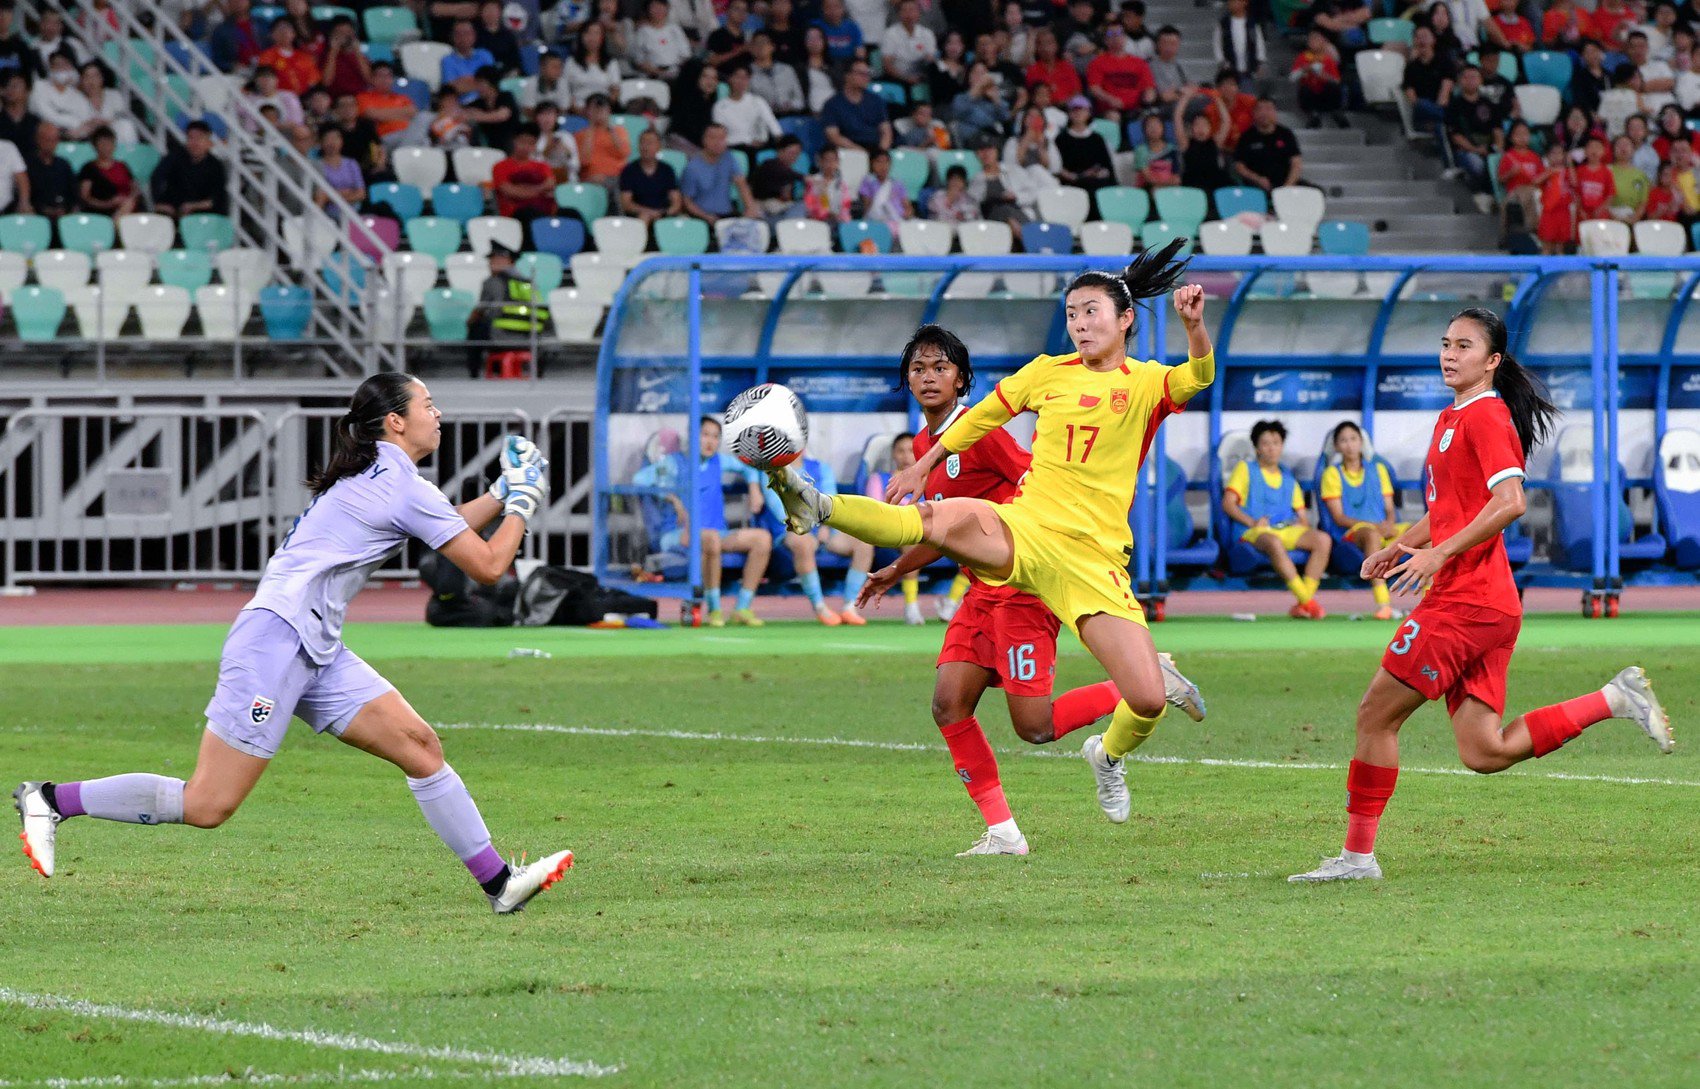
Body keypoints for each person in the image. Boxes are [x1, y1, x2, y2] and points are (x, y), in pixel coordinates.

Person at [14, 374, 574, 914]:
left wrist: (499, 494)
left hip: (312, 645)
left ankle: (500, 884)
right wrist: (522, 501)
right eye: (428, 404)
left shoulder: (385, 477)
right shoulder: (400, 483)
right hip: (278, 641)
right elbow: (490, 566)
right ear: (396, 422)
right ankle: (50, 800)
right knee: (208, 804)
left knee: (420, 747)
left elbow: (443, 523)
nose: (438, 413)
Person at [765, 242, 1215, 826]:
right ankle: (818, 504)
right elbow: (979, 418)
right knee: (938, 517)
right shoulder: (1045, 372)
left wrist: (1195, 326)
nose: (1078, 323)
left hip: (1092, 556)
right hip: (1025, 528)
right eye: (1072, 312)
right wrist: (923, 467)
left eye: (1090, 312)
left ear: (1124, 319)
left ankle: (1106, 755)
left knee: (1148, 699)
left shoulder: (1149, 383)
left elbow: (1200, 376)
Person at [1288, 308, 1672, 883]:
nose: (1449, 353)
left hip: (1466, 603)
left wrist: (1439, 556)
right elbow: (1450, 512)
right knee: (1483, 752)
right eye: (1445, 343)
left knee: (1375, 717)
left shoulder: (1488, 418)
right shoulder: (1453, 416)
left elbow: (1512, 501)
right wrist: (1401, 545)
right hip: (1488, 605)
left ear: (1491, 361)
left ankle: (1358, 858)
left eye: (1463, 346)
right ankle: (1613, 700)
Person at [853, 325, 1206, 855]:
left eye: (941, 368)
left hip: (1024, 585)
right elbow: (948, 529)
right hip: (980, 594)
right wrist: (896, 569)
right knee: (949, 704)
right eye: (919, 369)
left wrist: (1033, 543)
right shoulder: (929, 446)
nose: (929, 378)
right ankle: (1003, 832)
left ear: (961, 378)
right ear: (906, 379)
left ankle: (1144, 679)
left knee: (1035, 728)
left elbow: (1034, 485)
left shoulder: (984, 435)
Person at [632, 417, 773, 626]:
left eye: (716, 437)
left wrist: (754, 489)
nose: (710, 441)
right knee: (711, 539)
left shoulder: (719, 461)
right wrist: (671, 497)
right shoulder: (674, 463)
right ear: (693, 436)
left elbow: (751, 468)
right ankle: (715, 610)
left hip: (715, 533)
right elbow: (639, 480)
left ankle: (742, 607)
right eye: (705, 435)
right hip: (677, 534)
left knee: (762, 539)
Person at [1222, 419, 1332, 618]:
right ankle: (1308, 601)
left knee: (1323, 540)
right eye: (1266, 443)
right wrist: (1252, 522)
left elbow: (1302, 518)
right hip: (1253, 532)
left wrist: (1299, 524)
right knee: (1273, 541)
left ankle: (1303, 602)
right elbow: (1228, 503)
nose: (1271, 448)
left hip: (1285, 531)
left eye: (1276, 442)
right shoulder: (1245, 469)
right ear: (1257, 448)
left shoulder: (1289, 480)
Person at [1320, 421, 1407, 620]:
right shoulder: (1332, 474)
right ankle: (1383, 603)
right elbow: (1339, 517)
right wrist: (1377, 528)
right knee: (1371, 535)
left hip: (1383, 528)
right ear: (1336, 446)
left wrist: (1390, 524)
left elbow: (1389, 508)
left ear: (1361, 442)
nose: (1349, 445)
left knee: (1422, 531)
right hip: (1353, 532)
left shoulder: (1378, 469)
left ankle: (1430, 596)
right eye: (1343, 440)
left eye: (1353, 439)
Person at [471, 241, 550, 346]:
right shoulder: (529, 283)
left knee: (475, 329)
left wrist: (469, 322)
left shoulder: (492, 282)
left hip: (501, 337)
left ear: (507, 260)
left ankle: (473, 362)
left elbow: (479, 311)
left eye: (493, 258)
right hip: (530, 339)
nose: (490, 263)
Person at [679, 123, 755, 225]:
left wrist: (750, 208)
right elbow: (687, 202)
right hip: (702, 217)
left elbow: (741, 184)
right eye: (713, 138)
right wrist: (706, 216)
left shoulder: (729, 158)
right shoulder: (692, 168)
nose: (718, 142)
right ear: (704, 140)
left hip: (727, 214)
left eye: (722, 138)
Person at [492, 123, 558, 224]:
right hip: (515, 214)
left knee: (570, 213)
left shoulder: (542, 166)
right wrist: (540, 190)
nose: (526, 147)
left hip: (543, 210)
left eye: (531, 143)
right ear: (514, 141)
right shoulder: (500, 166)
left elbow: (550, 184)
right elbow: (511, 191)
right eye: (522, 142)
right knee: (530, 213)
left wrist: (524, 188)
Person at [1234, 97, 1303, 193]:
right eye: (1259, 109)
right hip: (1257, 184)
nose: (1264, 113)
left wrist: (1287, 186)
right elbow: (1239, 166)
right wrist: (1257, 179)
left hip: (1285, 183)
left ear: (1275, 112)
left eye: (1268, 109)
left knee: (1316, 192)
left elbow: (1296, 163)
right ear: (1254, 113)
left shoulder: (1286, 134)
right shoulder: (1246, 137)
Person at [822, 59, 891, 152]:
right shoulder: (832, 104)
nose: (866, 77)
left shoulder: (876, 100)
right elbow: (833, 136)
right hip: (848, 150)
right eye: (861, 73)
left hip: (875, 148)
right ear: (847, 75)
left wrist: (880, 152)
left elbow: (886, 131)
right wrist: (860, 152)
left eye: (867, 74)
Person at [713, 65, 784, 152]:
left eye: (745, 78)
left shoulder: (757, 101)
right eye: (737, 77)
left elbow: (772, 124)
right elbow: (719, 134)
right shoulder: (720, 107)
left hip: (759, 147)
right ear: (730, 79)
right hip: (733, 148)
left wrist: (780, 142)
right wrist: (747, 141)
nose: (741, 81)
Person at [619, 126, 681, 225]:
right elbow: (627, 203)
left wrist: (665, 213)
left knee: (684, 220)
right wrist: (648, 212)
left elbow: (676, 201)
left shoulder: (667, 170)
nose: (645, 146)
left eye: (650, 143)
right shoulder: (629, 170)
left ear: (659, 146)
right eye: (643, 142)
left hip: (663, 213)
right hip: (639, 214)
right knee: (644, 218)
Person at [1055, 95, 1116, 193]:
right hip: (1072, 182)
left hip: (1097, 181)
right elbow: (1058, 166)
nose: (1078, 113)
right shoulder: (1061, 139)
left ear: (1089, 113)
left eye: (1082, 110)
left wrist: (1098, 173)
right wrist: (1078, 176)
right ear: (1069, 113)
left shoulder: (1097, 138)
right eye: (1074, 110)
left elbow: (1107, 165)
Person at [1290, 27, 1346, 129]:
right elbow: (1292, 78)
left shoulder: (1328, 59)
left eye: (1316, 39)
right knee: (1304, 89)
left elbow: (1336, 81)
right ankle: (1313, 115)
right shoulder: (1302, 57)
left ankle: (1335, 111)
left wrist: (1324, 76)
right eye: (1311, 39)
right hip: (1310, 94)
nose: (1313, 42)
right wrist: (1303, 71)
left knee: (1333, 87)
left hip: (1324, 94)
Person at [574, 93, 631, 192]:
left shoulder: (618, 131)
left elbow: (624, 153)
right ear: (587, 111)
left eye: (602, 108)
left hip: (618, 177)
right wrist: (591, 128)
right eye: (594, 108)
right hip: (593, 178)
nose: (599, 111)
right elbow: (583, 161)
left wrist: (610, 129)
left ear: (609, 110)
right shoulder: (580, 135)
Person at [76, 125, 135, 215]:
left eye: (110, 143)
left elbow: (134, 189)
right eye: (103, 144)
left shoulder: (122, 166)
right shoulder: (89, 168)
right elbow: (85, 197)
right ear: (95, 146)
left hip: (127, 207)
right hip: (102, 210)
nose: (107, 147)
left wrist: (127, 200)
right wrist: (108, 203)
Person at [748, 134, 807, 222]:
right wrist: (805, 178)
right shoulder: (769, 165)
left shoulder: (788, 171)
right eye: (791, 153)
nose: (794, 157)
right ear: (780, 151)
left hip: (781, 210)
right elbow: (785, 173)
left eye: (797, 154)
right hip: (764, 207)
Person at [357, 62, 418, 146]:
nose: (384, 79)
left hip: (409, 133)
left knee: (425, 117)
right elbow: (370, 114)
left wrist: (383, 114)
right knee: (420, 140)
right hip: (386, 137)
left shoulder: (402, 98)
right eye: (380, 76)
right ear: (372, 79)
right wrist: (403, 114)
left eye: (388, 76)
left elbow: (413, 112)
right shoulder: (363, 97)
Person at [856, 147, 912, 235]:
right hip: (876, 221)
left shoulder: (897, 183)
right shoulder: (868, 182)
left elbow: (907, 206)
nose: (883, 166)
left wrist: (907, 214)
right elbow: (867, 208)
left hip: (898, 221)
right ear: (871, 164)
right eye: (879, 162)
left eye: (886, 162)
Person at [631, 0, 692, 81]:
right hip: (651, 76)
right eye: (654, 7)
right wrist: (656, 72)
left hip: (675, 74)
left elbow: (686, 53)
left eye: (661, 6)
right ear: (648, 9)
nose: (658, 10)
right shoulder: (642, 31)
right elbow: (638, 59)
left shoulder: (675, 29)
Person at [566, 23, 622, 110]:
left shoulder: (611, 63)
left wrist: (603, 110)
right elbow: (565, 88)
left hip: (603, 109)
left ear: (602, 38)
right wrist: (577, 109)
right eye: (588, 33)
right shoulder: (571, 62)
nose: (592, 37)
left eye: (596, 33)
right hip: (578, 109)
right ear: (581, 36)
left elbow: (615, 90)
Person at [257, 18, 321, 96]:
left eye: (288, 29)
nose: (284, 32)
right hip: (277, 98)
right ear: (271, 35)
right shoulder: (266, 56)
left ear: (294, 34)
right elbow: (263, 80)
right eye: (280, 29)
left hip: (304, 99)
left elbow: (313, 81)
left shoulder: (304, 57)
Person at [749, 30, 806, 116]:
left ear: (772, 47)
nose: (761, 46)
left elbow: (800, 100)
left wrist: (789, 105)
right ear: (751, 49)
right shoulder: (747, 72)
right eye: (757, 43)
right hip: (762, 118)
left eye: (764, 42)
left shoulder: (787, 69)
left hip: (789, 115)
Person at [315, 126, 366, 220]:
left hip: (355, 212)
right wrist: (348, 193)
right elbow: (321, 196)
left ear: (341, 141)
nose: (332, 142)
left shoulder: (351, 163)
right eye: (327, 139)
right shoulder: (317, 165)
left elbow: (361, 194)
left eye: (335, 138)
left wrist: (332, 196)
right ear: (321, 143)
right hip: (330, 215)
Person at [1534, 141, 1577, 254]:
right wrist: (1550, 172)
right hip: (1549, 211)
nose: (1557, 157)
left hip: (1563, 211)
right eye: (1553, 153)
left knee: (1560, 245)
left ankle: (1560, 267)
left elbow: (1574, 182)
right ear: (1547, 156)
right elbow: (1535, 181)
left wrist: (1570, 164)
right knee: (1546, 244)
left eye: (1560, 153)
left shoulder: (1567, 172)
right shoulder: (1546, 171)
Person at [442, 20, 496, 100]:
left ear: (474, 36)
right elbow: (451, 90)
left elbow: (493, 83)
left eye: (467, 33)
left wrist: (464, 82)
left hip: (487, 102)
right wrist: (480, 82)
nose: (463, 38)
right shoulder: (447, 61)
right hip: (463, 106)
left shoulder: (485, 55)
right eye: (458, 34)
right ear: (453, 37)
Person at [321, 17, 371, 97]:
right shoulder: (326, 56)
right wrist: (333, 52)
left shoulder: (361, 56)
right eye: (340, 32)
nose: (345, 36)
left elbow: (369, 80)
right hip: (336, 98)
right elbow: (326, 82)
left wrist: (357, 52)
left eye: (348, 32)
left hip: (359, 97)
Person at [803, 143, 855, 222]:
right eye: (827, 160)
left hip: (838, 220)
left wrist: (841, 217)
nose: (830, 164)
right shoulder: (813, 181)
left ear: (838, 162)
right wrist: (825, 213)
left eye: (833, 160)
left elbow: (846, 205)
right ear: (820, 162)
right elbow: (810, 204)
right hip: (818, 220)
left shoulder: (841, 183)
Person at [706, 0, 755, 74]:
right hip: (723, 77)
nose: (741, 13)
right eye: (737, 9)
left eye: (744, 10)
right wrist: (739, 50)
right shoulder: (716, 35)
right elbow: (711, 61)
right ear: (727, 11)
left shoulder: (748, 36)